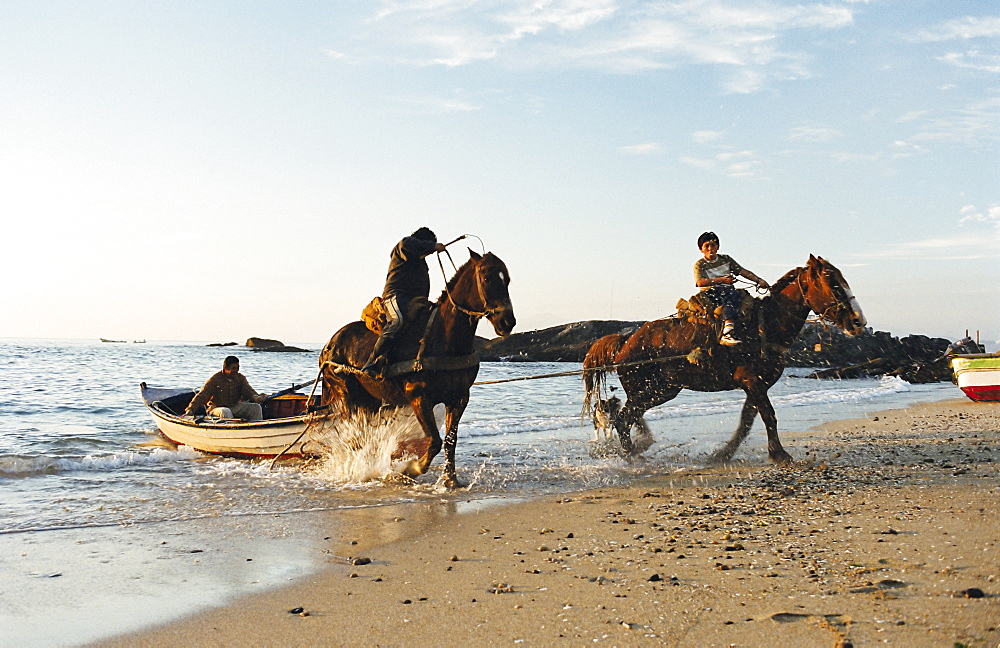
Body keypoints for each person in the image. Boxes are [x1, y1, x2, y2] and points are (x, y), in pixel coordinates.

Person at [362, 227, 447, 377]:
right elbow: (407, 245)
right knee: (398, 320)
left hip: (416, 300)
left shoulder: (420, 261)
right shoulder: (405, 245)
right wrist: (433, 246)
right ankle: (372, 362)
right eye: (427, 247)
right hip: (395, 296)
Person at [694, 231, 770, 346]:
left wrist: (758, 280)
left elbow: (742, 271)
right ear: (701, 249)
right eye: (706, 246)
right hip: (711, 292)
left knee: (748, 303)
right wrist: (722, 280)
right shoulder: (700, 264)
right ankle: (727, 333)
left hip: (728, 290)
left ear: (718, 247)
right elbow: (700, 282)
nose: (710, 249)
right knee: (731, 296)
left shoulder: (726, 259)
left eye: (713, 245)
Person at [183, 356, 268, 421]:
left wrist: (256, 397)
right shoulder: (215, 379)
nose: (236, 371)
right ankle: (232, 432)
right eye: (233, 368)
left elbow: (249, 390)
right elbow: (202, 396)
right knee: (225, 411)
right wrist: (190, 410)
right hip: (216, 409)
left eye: (238, 368)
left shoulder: (240, 378)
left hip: (235, 406)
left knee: (256, 408)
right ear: (225, 368)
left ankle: (255, 430)